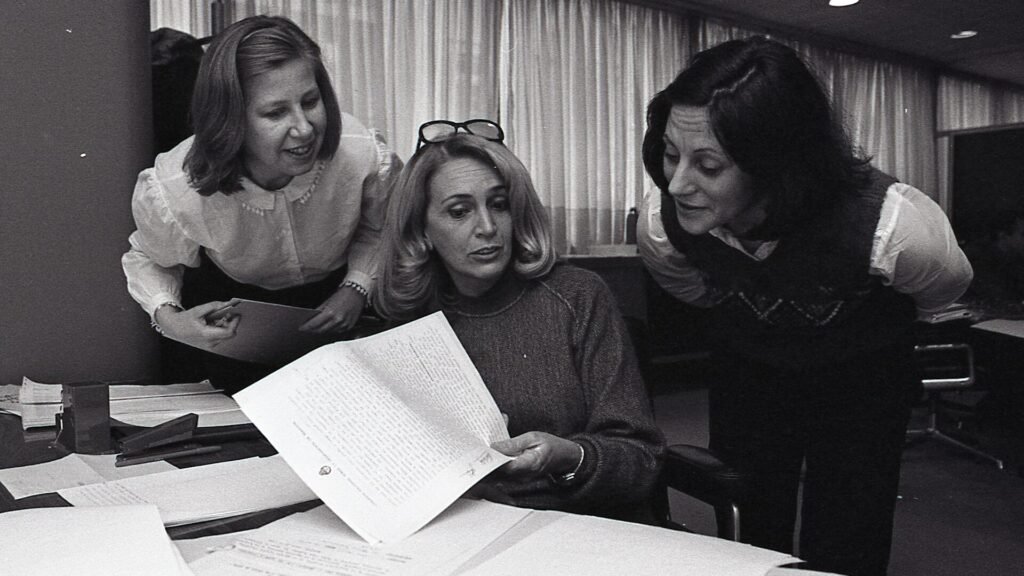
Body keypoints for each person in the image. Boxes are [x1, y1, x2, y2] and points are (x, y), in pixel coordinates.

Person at [637, 37, 972, 576]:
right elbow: (690, 288)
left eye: (708, 165)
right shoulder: (664, 222)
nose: (677, 183)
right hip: (750, 371)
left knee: (849, 524)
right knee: (748, 515)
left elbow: (941, 291)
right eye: (671, 154)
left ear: (775, 164)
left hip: (861, 378)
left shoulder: (894, 226)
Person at [374, 121, 665, 522]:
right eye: (460, 211)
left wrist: (569, 457)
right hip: (464, 528)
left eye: (499, 204)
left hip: (580, 525)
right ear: (421, 231)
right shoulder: (407, 325)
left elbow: (641, 460)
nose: (487, 227)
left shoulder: (577, 297)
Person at [123, 16, 400, 393]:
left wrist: (358, 286)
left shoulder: (361, 153)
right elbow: (151, 257)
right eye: (275, 113)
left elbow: (383, 227)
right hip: (235, 333)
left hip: (341, 314)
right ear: (230, 119)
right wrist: (170, 319)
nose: (304, 129)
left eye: (310, 101)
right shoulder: (176, 186)